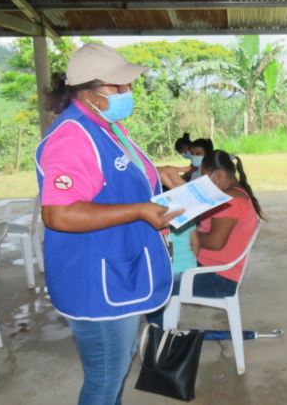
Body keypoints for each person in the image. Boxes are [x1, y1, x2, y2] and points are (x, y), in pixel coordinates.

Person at [35, 42, 187, 404]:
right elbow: (58, 214)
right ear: (88, 94)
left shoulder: (104, 126)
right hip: (95, 280)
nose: (127, 91)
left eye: (128, 84)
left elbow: (110, 175)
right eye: (117, 86)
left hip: (116, 268)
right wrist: (139, 210)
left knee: (116, 367)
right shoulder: (73, 137)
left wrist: (156, 173)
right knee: (104, 381)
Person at [147, 149, 263, 326]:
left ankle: (160, 337)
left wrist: (189, 233)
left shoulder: (230, 200)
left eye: (205, 177)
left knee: (152, 287)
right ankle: (164, 331)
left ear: (218, 175)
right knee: (154, 272)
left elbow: (216, 243)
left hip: (217, 277)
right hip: (210, 269)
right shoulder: (236, 194)